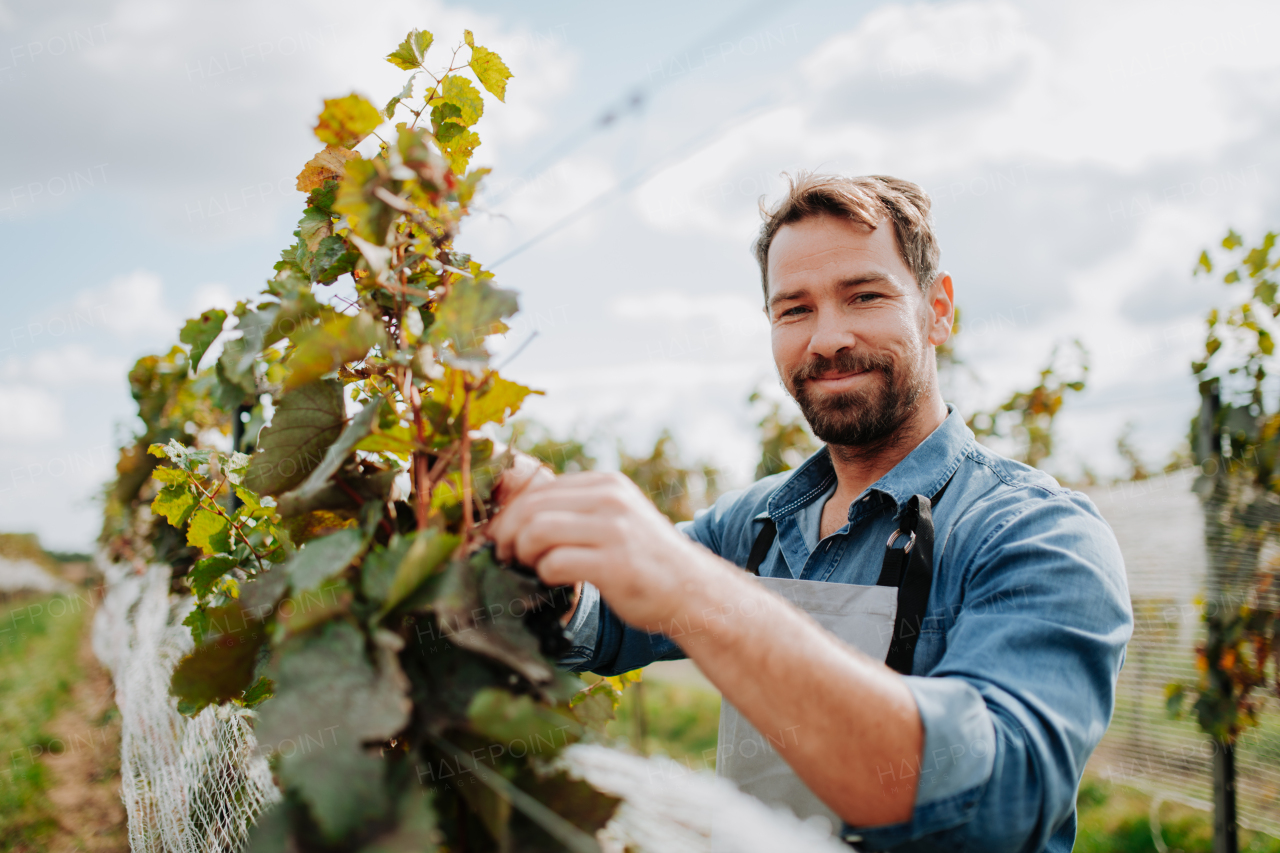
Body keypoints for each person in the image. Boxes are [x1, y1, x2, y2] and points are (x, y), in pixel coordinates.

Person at [488, 173, 1132, 852]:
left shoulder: (1034, 534)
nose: (827, 338)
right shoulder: (757, 520)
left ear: (938, 309)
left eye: (865, 295)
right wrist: (543, 570)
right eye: (794, 309)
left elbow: (999, 800)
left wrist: (698, 590)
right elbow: (606, 620)